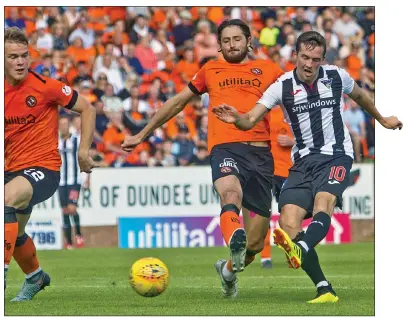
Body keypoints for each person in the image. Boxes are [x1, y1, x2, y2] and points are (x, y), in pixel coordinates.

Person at [212, 30, 402, 303]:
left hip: (337, 156)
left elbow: (359, 96)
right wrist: (236, 118)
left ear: (323, 59)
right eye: (304, 57)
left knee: (323, 202)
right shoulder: (282, 86)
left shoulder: (337, 76)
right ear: (295, 56)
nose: (309, 64)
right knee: (288, 221)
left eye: (315, 59)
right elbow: (251, 119)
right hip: (302, 162)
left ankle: (300, 246)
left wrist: (382, 119)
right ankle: (324, 288)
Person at [121, 19, 284, 298]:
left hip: (260, 154)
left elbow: (298, 100)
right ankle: (233, 235)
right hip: (225, 148)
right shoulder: (210, 70)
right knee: (229, 193)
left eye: (237, 39)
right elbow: (177, 102)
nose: (232, 45)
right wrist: (142, 133)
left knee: (256, 243)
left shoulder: (270, 70)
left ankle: (228, 271)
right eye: (226, 40)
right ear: (219, 45)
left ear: (249, 41)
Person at [4, 27, 97, 301]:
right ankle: (35, 277)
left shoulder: (46, 87)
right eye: (13, 57)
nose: (20, 62)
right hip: (10, 170)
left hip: (44, 169)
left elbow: (88, 109)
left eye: (24, 56)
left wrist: (83, 152)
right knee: (16, 233)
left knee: (6, 200)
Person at [260, 106, 294, 268]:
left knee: (288, 216)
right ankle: (265, 257)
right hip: (266, 171)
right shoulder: (263, 112)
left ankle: (291, 253)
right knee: (264, 214)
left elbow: (311, 139)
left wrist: (292, 141)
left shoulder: (292, 111)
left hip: (287, 172)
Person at [58, 116, 89, 249]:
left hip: (74, 180)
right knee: (65, 210)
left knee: (72, 208)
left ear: (69, 125)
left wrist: (88, 177)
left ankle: (79, 235)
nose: (64, 127)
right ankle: (69, 243)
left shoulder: (76, 140)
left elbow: (84, 157)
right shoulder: (56, 142)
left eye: (65, 124)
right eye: (61, 124)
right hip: (61, 181)